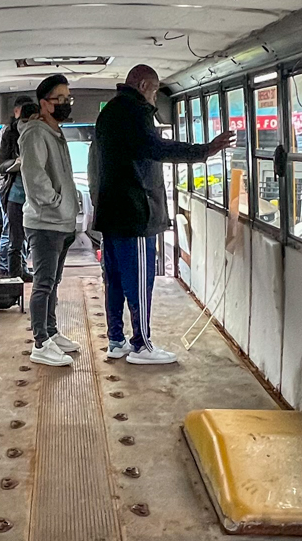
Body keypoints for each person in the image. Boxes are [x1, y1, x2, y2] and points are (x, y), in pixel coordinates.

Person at [90, 63, 233, 364]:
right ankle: (142, 345)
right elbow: (159, 149)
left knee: (114, 280)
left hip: (111, 213)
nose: (155, 100)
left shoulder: (108, 113)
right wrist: (204, 151)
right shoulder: (136, 112)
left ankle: (116, 340)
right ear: (143, 86)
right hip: (136, 213)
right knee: (140, 282)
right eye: (154, 92)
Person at [21, 74, 81, 367]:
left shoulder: (54, 132)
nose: (66, 104)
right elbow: (35, 179)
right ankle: (40, 343)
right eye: (60, 100)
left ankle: (51, 332)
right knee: (43, 283)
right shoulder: (35, 134)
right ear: (44, 104)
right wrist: (56, 203)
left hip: (61, 222)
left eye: (68, 99)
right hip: (45, 222)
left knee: (53, 282)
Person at [0, 100, 39, 277]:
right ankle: (12, 277)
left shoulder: (40, 135)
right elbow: (0, 165)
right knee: (15, 238)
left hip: (35, 196)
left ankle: (23, 269)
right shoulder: (10, 134)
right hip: (15, 194)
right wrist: (16, 163)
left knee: (32, 239)